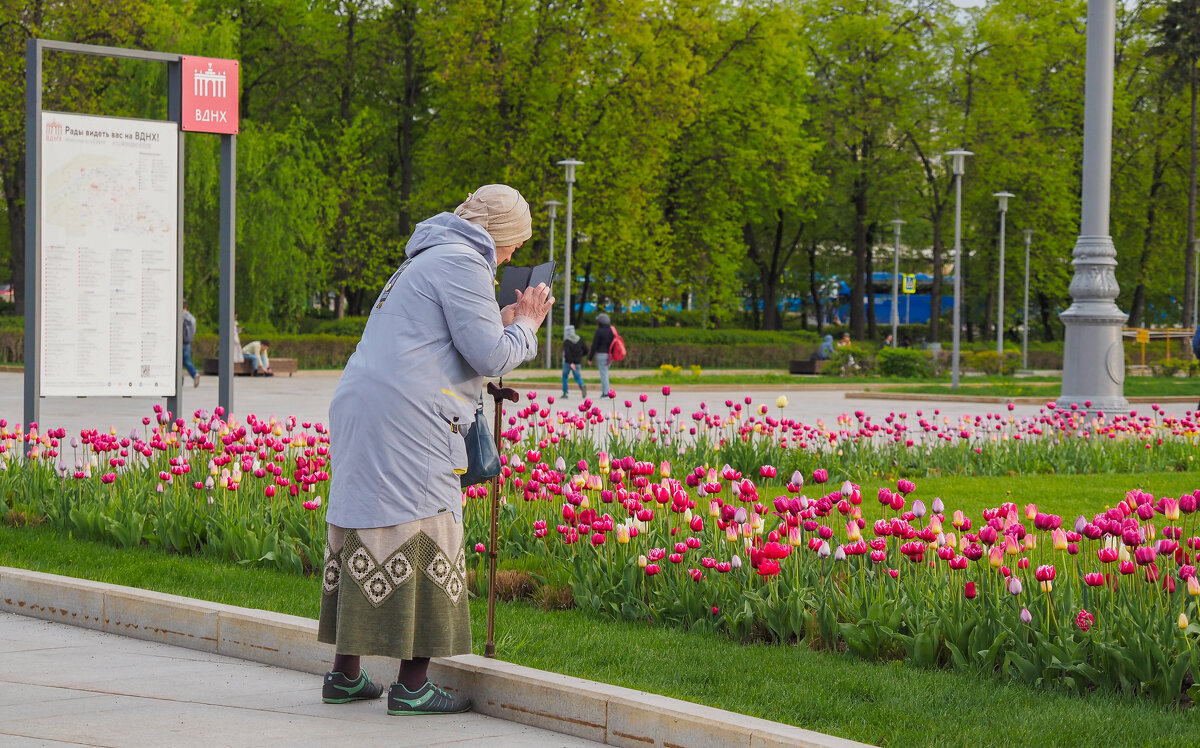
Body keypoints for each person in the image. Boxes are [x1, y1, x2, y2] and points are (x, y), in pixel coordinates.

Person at [319, 184, 552, 717]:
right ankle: (413, 685)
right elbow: (490, 355)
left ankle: (346, 674)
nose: (513, 255)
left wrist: (503, 319)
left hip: (363, 403)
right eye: (515, 243)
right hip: (411, 417)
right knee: (426, 526)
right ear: (499, 234)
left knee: (365, 522)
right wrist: (528, 324)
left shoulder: (424, 259)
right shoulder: (464, 263)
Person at [588, 313, 615, 398]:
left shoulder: (599, 331)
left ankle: (606, 393)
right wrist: (613, 355)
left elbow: (594, 345)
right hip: (610, 355)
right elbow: (614, 343)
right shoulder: (612, 330)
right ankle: (607, 392)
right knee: (605, 373)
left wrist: (590, 358)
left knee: (604, 374)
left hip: (601, 354)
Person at [561, 325, 588, 399]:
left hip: (568, 363)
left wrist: (571, 362)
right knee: (578, 377)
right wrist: (580, 356)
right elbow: (586, 350)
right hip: (577, 363)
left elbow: (567, 353)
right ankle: (582, 385)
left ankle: (565, 393)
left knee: (565, 377)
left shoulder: (567, 341)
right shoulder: (580, 340)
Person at [181, 299, 199, 388]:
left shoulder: (179, 316)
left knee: (177, 362)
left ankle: (179, 379)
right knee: (187, 361)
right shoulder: (191, 317)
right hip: (187, 342)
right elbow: (194, 330)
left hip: (179, 342)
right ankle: (195, 374)